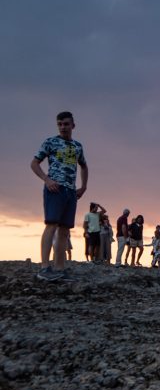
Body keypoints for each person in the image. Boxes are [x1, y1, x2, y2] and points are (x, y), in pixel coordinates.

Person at [31, 111, 88, 281]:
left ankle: (59, 268)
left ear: (73, 125)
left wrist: (83, 187)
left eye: (66, 124)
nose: (63, 127)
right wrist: (47, 179)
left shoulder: (77, 146)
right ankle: (44, 268)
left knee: (64, 230)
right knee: (51, 225)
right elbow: (34, 163)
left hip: (70, 191)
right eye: (60, 124)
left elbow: (84, 166)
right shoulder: (50, 142)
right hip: (55, 189)